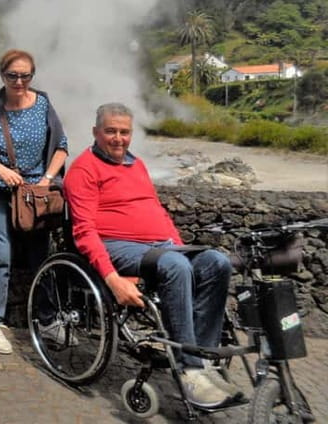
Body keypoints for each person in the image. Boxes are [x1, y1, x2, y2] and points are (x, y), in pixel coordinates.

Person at [64, 102, 239, 409]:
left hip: (160, 244)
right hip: (117, 245)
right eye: (110, 131)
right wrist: (113, 280)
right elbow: (84, 232)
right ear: (95, 132)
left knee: (216, 262)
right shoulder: (83, 170)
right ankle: (190, 371)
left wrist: (180, 245)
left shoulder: (137, 164)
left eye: (124, 132)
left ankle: (204, 356)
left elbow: (157, 212)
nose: (118, 138)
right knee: (174, 265)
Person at [0, 49, 68, 355]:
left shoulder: (43, 104)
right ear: (2, 75)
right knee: (1, 255)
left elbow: (61, 146)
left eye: (25, 75)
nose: (19, 81)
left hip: (36, 197)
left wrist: (47, 179)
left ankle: (46, 319)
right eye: (12, 76)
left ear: (32, 76)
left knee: (40, 258)